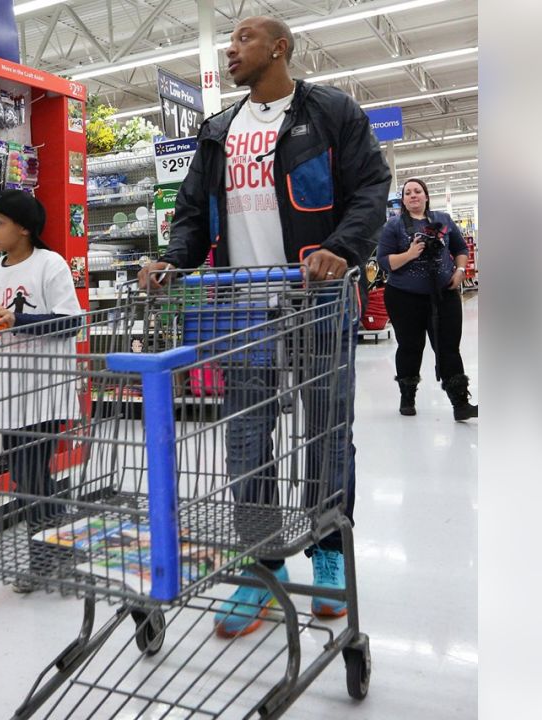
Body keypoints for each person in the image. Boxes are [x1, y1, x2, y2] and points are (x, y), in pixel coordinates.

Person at [138, 16, 390, 637]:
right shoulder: (218, 130)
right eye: (229, 42)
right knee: (247, 437)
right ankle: (260, 563)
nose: (231, 50)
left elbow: (370, 189)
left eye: (244, 40)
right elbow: (194, 215)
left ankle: (329, 553)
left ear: (279, 48)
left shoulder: (331, 113)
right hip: (240, 303)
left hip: (316, 300)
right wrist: (173, 259)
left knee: (327, 427)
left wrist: (343, 248)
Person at [0, 190, 84, 594]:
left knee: (31, 477)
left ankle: (44, 558)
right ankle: (59, 547)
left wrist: (18, 319)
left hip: (44, 390)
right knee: (30, 479)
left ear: (25, 227)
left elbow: (71, 323)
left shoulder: (51, 265)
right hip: (5, 394)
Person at [377, 177, 478, 421]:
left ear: (426, 196)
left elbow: (461, 250)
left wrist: (460, 271)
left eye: (417, 191)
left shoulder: (443, 220)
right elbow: (384, 261)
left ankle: (460, 403)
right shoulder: (393, 226)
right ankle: (407, 397)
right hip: (404, 297)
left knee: (449, 348)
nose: (413, 195)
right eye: (408, 192)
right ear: (403, 200)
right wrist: (410, 254)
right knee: (411, 347)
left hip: (444, 295)